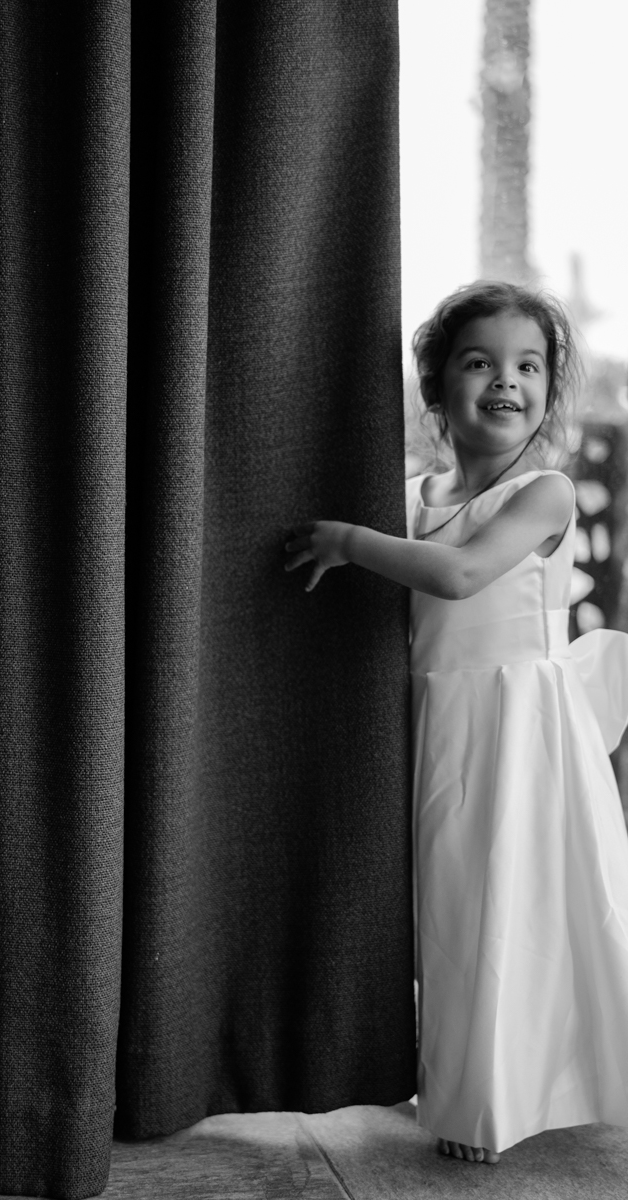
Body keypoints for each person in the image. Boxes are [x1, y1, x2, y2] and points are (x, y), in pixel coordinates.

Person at [283, 280, 628, 1164]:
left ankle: (488, 1104)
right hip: (440, 718)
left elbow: (463, 576)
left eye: (527, 366)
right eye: (479, 363)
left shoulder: (544, 494)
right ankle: (466, 1074)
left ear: (550, 391)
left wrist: (352, 542)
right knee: (449, 909)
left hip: (520, 729)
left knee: (507, 906)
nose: (505, 381)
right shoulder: (414, 492)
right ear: (437, 390)